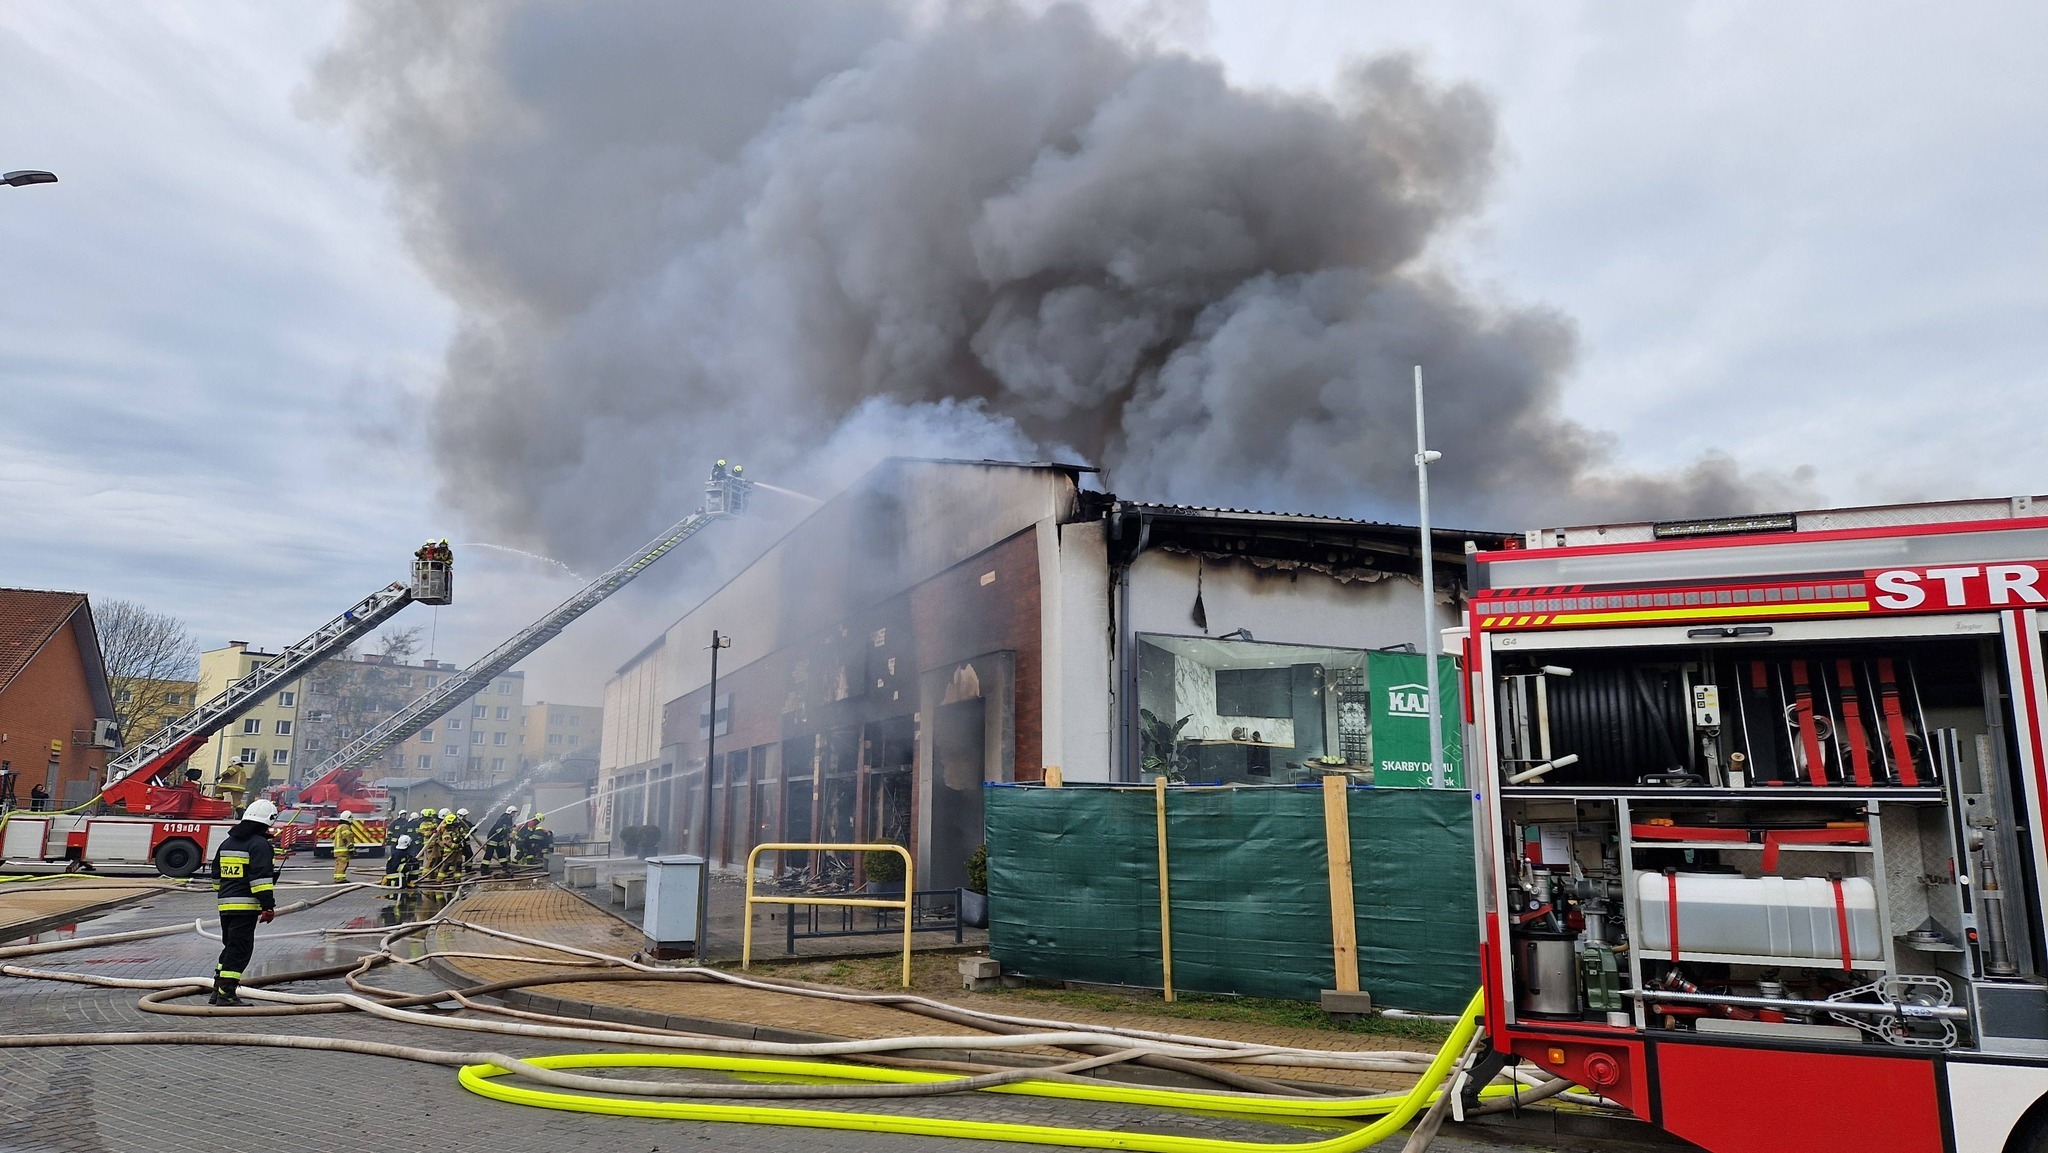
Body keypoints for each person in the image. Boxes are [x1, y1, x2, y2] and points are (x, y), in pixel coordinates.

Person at [211, 798, 280, 1006]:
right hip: (246, 906)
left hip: (225, 906)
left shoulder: (227, 843)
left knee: (230, 947)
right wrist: (268, 906)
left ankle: (217, 989)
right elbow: (261, 880)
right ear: (267, 821)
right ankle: (227, 994)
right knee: (240, 950)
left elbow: (216, 876)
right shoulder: (259, 845)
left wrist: (225, 892)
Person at [331, 811, 370, 882]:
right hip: (343, 850)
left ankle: (337, 877)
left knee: (339, 864)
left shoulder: (339, 827)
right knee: (343, 864)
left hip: (337, 850)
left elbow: (332, 836)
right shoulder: (345, 827)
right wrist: (351, 848)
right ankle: (340, 879)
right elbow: (347, 837)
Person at [483, 806, 517, 877]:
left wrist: (510, 829)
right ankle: (484, 870)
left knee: (502, 854)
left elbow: (506, 829)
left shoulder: (509, 819)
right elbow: (498, 830)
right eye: (513, 812)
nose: (514, 814)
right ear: (510, 812)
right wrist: (507, 829)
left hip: (499, 839)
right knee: (489, 854)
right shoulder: (502, 819)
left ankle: (505, 867)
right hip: (493, 838)